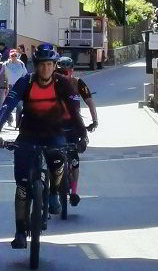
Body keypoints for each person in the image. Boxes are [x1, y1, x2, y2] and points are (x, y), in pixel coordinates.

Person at [0, 44, 87, 250]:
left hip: (54, 134)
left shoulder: (62, 83)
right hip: (28, 135)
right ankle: (19, 232)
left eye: (50, 65)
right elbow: (8, 105)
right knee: (22, 186)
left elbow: (74, 111)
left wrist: (83, 135)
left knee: (58, 161)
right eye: (42, 65)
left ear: (54, 66)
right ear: (36, 66)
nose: (46, 69)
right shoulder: (26, 82)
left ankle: (53, 193)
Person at [55, 55, 97, 206]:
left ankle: (74, 192)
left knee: (74, 159)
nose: (65, 74)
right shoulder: (51, 83)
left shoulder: (78, 83)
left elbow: (90, 101)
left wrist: (94, 120)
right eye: (62, 72)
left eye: (68, 71)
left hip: (74, 124)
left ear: (72, 71)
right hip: (55, 124)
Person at [5, 49, 28, 129]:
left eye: (15, 55)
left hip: (19, 86)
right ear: (10, 56)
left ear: (17, 56)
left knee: (19, 106)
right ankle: (9, 119)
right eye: (12, 56)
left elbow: (25, 74)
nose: (14, 57)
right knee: (8, 105)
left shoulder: (21, 64)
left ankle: (18, 124)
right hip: (10, 86)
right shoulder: (6, 64)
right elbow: (3, 75)